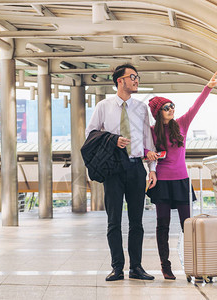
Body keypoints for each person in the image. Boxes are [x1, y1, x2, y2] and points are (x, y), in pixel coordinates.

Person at [85, 64, 158, 281]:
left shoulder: (140, 108)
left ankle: (136, 267)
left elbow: (148, 139)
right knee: (113, 220)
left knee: (137, 221)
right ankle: (117, 267)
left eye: (137, 77)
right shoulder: (104, 106)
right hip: (113, 168)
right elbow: (91, 135)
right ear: (120, 81)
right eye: (132, 77)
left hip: (136, 166)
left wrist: (152, 170)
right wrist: (112, 139)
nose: (136, 80)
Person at [146, 72, 217, 280]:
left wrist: (209, 87)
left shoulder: (182, 124)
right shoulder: (152, 131)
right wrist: (147, 154)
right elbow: (143, 150)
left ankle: (195, 266)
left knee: (189, 226)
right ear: (159, 112)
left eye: (172, 106)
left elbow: (196, 106)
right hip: (162, 182)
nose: (171, 110)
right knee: (163, 226)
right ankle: (165, 266)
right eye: (166, 108)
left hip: (182, 182)